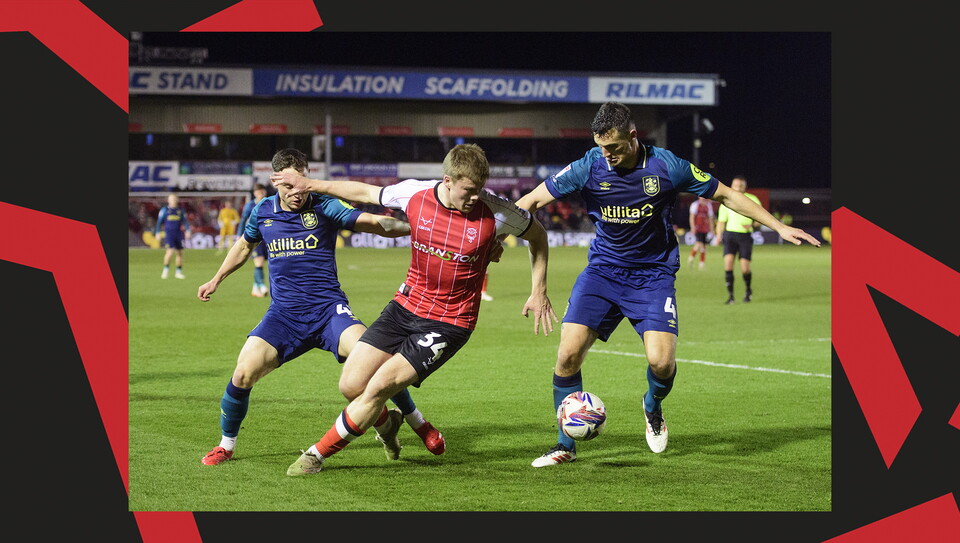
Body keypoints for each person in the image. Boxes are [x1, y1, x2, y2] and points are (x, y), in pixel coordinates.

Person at [515, 102, 821, 467]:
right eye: (601, 148)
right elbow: (531, 201)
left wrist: (779, 226)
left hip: (652, 277)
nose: (607, 156)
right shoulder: (589, 166)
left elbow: (725, 194)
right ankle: (565, 444)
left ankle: (652, 406)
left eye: (613, 147)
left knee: (661, 363)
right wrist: (489, 238)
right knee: (567, 355)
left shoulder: (666, 166)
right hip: (603, 272)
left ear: (632, 136)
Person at [270, 143, 557, 476]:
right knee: (351, 385)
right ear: (448, 181)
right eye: (468, 190)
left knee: (377, 388)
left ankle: (315, 456)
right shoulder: (415, 195)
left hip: (449, 321)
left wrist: (539, 291)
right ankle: (396, 425)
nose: (475, 197)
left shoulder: (496, 211)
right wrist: (311, 184)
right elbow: (364, 191)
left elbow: (538, 236)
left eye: (479, 190)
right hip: (405, 306)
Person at [197, 148, 446, 466]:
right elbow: (245, 244)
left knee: (375, 358)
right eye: (289, 186)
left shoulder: (325, 205)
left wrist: (422, 228)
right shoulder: (263, 211)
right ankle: (226, 446)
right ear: (276, 182)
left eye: (301, 183)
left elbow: (374, 223)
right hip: (284, 316)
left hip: (329, 312)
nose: (297, 192)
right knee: (243, 373)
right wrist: (216, 278)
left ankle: (419, 424)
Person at [715, 175, 762, 304]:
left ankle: (748, 290)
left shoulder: (752, 199)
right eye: (736, 185)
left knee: (745, 268)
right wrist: (718, 235)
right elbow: (721, 222)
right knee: (728, 264)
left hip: (745, 236)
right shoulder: (726, 200)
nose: (738, 187)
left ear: (745, 186)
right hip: (730, 236)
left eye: (741, 185)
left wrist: (752, 225)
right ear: (732, 185)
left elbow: (760, 219)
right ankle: (731, 296)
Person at [240, 184, 270, 297]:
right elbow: (243, 220)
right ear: (255, 193)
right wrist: (240, 235)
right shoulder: (250, 206)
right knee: (259, 262)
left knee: (264, 262)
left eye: (262, 192)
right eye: (258, 192)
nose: (260, 194)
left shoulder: (269, 203)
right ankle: (262, 286)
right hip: (255, 238)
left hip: (267, 237)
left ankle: (255, 287)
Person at [155, 193, 192, 279]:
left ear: (177, 200)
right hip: (169, 234)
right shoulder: (164, 210)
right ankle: (165, 270)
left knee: (180, 253)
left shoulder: (180, 211)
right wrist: (157, 232)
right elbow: (159, 222)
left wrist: (188, 231)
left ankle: (178, 272)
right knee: (170, 252)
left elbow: (185, 222)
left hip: (179, 234)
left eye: (174, 199)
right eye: (171, 199)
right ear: (168, 200)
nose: (173, 201)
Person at [687, 196, 716, 270]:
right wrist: (692, 227)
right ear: (699, 197)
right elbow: (692, 217)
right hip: (698, 227)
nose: (703, 198)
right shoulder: (695, 205)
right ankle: (697, 261)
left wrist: (712, 229)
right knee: (699, 244)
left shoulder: (708, 205)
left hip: (705, 228)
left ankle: (697, 261)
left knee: (703, 246)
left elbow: (710, 218)